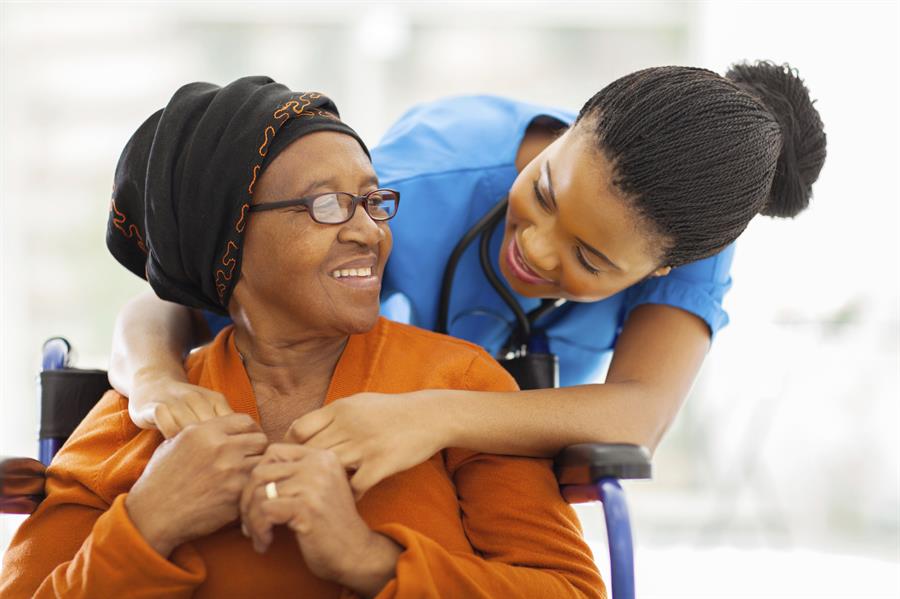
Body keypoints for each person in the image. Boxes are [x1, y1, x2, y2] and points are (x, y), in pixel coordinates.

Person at [0, 77, 604, 598]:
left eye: (372, 200)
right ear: (227, 241)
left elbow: (569, 591)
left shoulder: (460, 385)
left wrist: (366, 559)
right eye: (326, 205)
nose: (370, 232)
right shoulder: (143, 413)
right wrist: (148, 523)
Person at [109, 61, 827, 497]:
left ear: (663, 267)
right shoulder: (416, 184)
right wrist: (155, 383)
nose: (538, 252)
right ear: (571, 128)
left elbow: (638, 415)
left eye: (591, 260)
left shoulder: (688, 236)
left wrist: (431, 413)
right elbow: (164, 304)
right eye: (543, 191)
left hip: (475, 492)